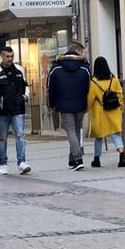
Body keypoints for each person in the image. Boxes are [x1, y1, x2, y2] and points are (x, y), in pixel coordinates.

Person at [0, 46, 32, 175]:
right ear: (2, 56)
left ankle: (21, 162)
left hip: (18, 108)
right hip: (1, 110)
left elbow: (26, 85)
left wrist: (25, 96)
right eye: (7, 56)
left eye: (12, 56)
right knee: (3, 138)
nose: (10, 59)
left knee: (20, 135)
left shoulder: (19, 70)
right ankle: (3, 163)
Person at [48, 43, 91, 171]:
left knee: (71, 131)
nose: (84, 53)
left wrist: (52, 104)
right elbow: (89, 86)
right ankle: (72, 158)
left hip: (63, 104)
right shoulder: (85, 68)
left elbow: (51, 87)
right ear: (77, 51)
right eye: (82, 51)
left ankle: (78, 159)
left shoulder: (56, 67)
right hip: (81, 103)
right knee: (76, 130)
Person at [87, 57, 125, 168]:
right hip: (114, 111)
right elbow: (120, 94)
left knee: (99, 137)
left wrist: (86, 109)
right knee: (115, 134)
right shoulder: (114, 79)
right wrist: (121, 107)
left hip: (100, 113)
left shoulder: (93, 83)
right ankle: (122, 154)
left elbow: (90, 100)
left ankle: (97, 159)